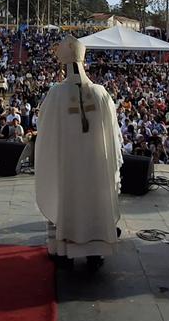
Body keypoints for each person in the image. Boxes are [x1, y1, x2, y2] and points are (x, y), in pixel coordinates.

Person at [34, 35, 123, 271]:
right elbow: (113, 134)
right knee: (95, 200)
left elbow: (45, 127)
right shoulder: (101, 93)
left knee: (68, 199)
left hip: (68, 165)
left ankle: (66, 251)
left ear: (64, 63)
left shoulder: (56, 94)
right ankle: (95, 252)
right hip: (96, 165)